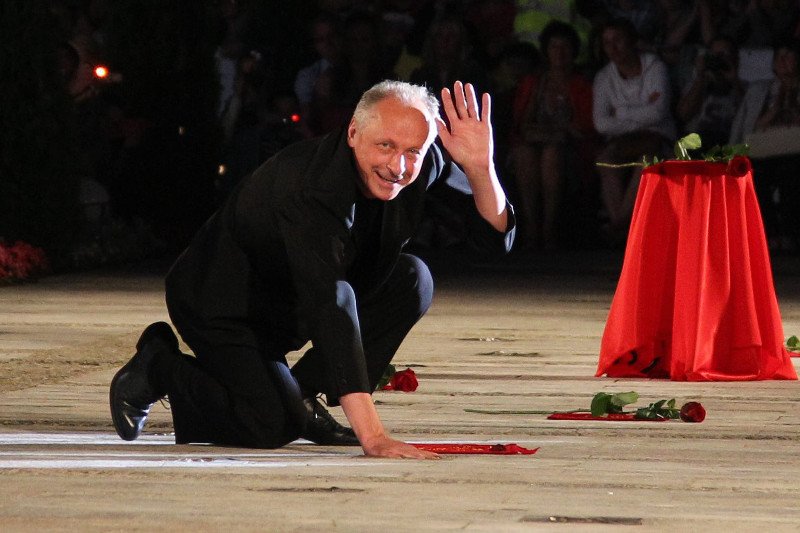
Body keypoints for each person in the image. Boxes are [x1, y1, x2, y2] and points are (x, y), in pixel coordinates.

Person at [109, 80, 515, 460]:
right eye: (385, 146)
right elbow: (330, 304)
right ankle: (160, 365)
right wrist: (373, 437)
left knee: (412, 278)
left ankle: (301, 396)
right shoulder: (310, 187)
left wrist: (481, 168)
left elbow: (497, 238)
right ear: (353, 133)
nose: (398, 166)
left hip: (293, 301)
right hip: (224, 304)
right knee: (271, 426)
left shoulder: (417, 158)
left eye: (413, 152)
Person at [508, 20, 595, 251]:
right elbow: (521, 125)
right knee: (524, 153)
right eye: (554, 47)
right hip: (534, 145)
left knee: (552, 155)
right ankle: (530, 226)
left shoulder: (580, 85)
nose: (559, 52)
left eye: (565, 47)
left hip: (570, 151)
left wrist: (556, 134)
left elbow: (584, 127)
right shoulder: (533, 82)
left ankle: (549, 228)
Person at [592, 17, 676, 243]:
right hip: (621, 142)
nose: (613, 48)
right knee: (605, 161)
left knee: (646, 162)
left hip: (658, 139)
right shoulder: (603, 78)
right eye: (607, 42)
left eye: (618, 40)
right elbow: (600, 123)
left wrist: (620, 114)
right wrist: (642, 112)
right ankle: (623, 224)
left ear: (631, 41)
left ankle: (620, 225)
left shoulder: (655, 68)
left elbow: (658, 113)